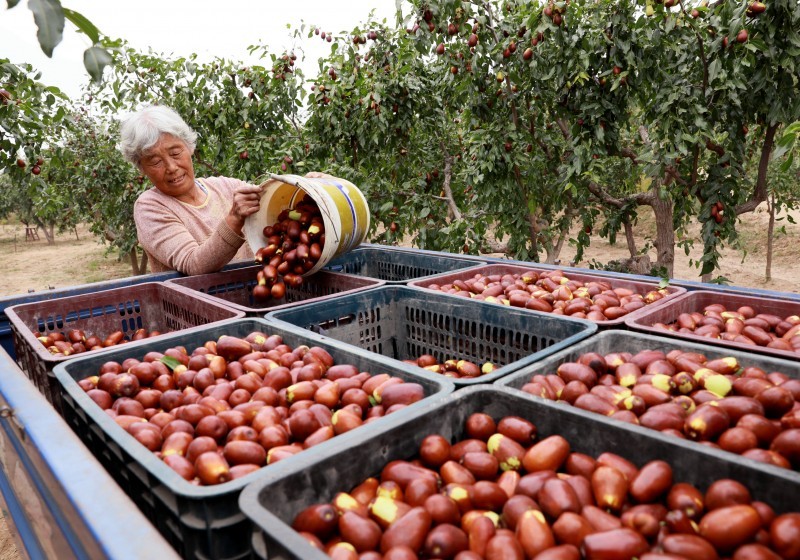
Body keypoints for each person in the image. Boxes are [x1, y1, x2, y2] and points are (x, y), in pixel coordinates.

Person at [120, 105, 262, 275]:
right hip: (197, 301)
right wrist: (235, 219)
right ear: (141, 168)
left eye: (175, 153)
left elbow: (272, 197)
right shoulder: (149, 208)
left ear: (189, 147)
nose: (171, 167)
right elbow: (193, 264)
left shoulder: (227, 188)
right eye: (156, 162)